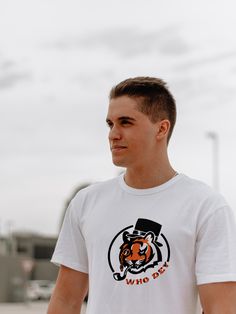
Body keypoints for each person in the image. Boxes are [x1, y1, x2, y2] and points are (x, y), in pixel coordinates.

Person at [47, 77, 236, 314]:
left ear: (161, 128)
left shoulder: (206, 207)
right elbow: (65, 301)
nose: (113, 134)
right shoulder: (86, 203)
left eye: (125, 122)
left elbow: (221, 307)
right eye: (110, 124)